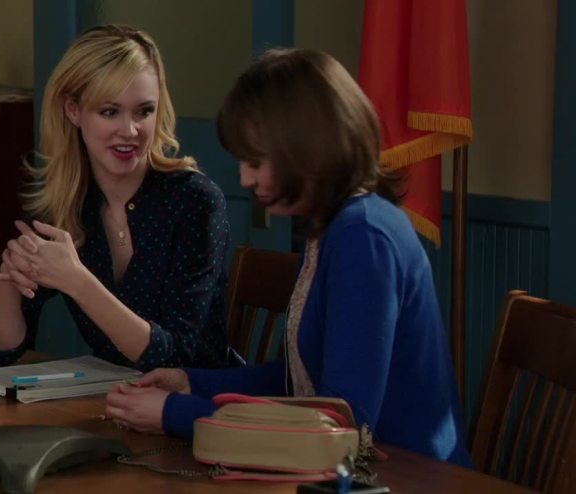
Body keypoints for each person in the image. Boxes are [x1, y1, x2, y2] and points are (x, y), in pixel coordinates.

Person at [104, 48, 472, 466]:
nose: (245, 178)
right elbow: (302, 380)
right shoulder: (332, 227)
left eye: (256, 161)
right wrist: (192, 383)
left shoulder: (363, 235)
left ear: (306, 148)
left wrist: (176, 414)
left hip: (409, 477)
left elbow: (340, 424)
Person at [0, 25, 232, 372]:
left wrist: (77, 281)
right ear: (73, 111)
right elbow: (3, 350)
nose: (129, 131)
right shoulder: (63, 207)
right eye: (110, 112)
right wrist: (13, 276)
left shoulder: (196, 201)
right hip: (111, 398)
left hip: (195, 400)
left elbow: (177, 356)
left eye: (144, 111)